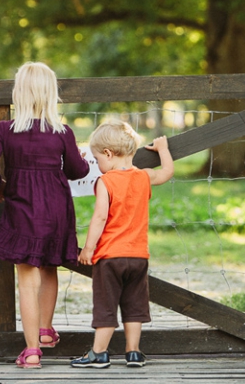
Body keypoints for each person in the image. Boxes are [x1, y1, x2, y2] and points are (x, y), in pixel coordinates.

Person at [0, 62, 90, 369]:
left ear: (19, 93)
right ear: (50, 94)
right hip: (57, 210)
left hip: (23, 209)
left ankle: (32, 351)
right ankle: (45, 330)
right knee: (50, 265)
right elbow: (78, 170)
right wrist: (78, 157)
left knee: (27, 278)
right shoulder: (62, 132)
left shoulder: (6, 130)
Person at [71, 120, 174, 369]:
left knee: (106, 306)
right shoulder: (143, 177)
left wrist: (88, 248)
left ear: (108, 154)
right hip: (138, 256)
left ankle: (99, 352)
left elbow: (100, 217)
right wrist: (163, 148)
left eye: (96, 160)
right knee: (134, 306)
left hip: (109, 257)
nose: (97, 165)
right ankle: (134, 352)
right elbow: (166, 172)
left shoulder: (106, 182)